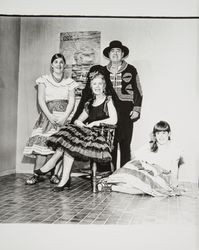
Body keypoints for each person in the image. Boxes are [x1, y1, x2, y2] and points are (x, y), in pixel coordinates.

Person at [32, 65, 118, 192]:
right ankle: (64, 179)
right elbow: (79, 119)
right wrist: (79, 122)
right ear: (91, 86)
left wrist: (95, 124)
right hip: (89, 136)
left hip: (101, 138)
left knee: (69, 141)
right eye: (94, 84)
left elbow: (114, 120)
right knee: (70, 137)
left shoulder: (108, 100)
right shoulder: (90, 104)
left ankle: (53, 166)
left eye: (100, 84)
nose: (97, 87)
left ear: (104, 85)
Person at [23, 53, 78, 185]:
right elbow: (41, 100)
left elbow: (71, 102)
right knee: (42, 145)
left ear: (64, 65)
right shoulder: (44, 80)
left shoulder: (69, 82)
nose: (59, 64)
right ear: (52, 65)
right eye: (56, 62)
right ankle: (36, 174)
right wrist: (50, 116)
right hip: (48, 116)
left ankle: (55, 175)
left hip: (64, 117)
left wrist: (65, 117)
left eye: (61, 62)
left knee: (60, 146)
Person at [98, 121, 185, 197]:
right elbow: (135, 157)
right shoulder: (150, 145)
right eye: (158, 133)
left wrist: (174, 182)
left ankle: (111, 187)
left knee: (145, 189)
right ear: (155, 135)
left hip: (162, 176)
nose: (161, 136)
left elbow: (174, 168)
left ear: (169, 134)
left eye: (163, 133)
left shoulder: (174, 149)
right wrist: (145, 165)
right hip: (149, 172)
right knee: (130, 177)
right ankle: (110, 182)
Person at [102, 40, 143, 169]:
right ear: (108, 54)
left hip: (126, 111)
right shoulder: (102, 71)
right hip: (108, 111)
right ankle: (110, 175)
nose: (115, 53)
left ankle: (125, 176)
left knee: (125, 144)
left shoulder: (131, 69)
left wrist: (136, 109)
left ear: (123, 53)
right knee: (110, 144)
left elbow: (138, 90)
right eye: (112, 51)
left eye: (118, 51)